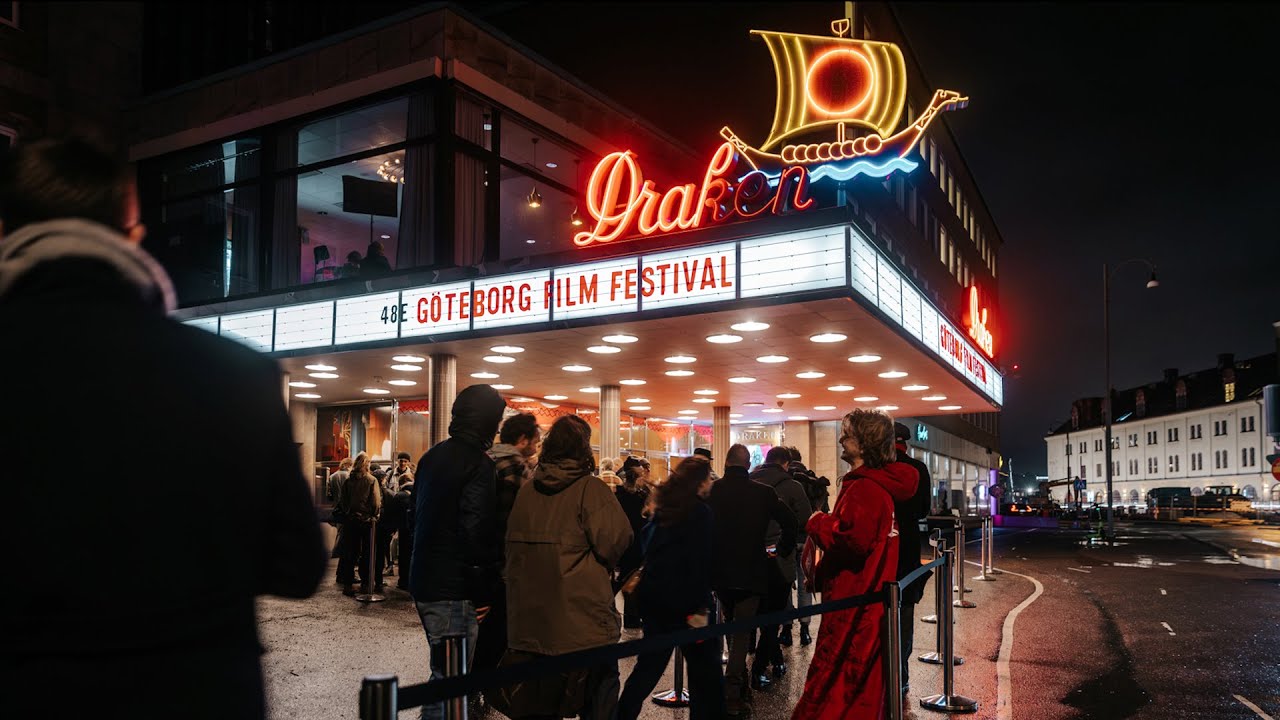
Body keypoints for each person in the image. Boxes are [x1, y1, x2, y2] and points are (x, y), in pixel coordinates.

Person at [0, 136, 326, 718]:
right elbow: (297, 567)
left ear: (8, 228)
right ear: (131, 235)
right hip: (197, 692)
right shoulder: (236, 374)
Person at [792, 410, 919, 720]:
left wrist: (818, 521)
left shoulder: (864, 489)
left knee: (836, 685)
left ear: (864, 443)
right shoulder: (877, 486)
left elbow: (852, 542)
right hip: (865, 600)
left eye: (847, 435)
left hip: (853, 602)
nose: (841, 439)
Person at [506, 415, 633, 720]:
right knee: (600, 694)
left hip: (533, 622)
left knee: (542, 703)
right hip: (583, 620)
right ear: (583, 448)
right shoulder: (591, 490)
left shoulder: (527, 491)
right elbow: (618, 540)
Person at [410, 384, 508, 720]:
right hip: (455, 591)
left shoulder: (431, 457)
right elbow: (476, 532)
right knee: (451, 684)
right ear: (486, 423)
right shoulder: (478, 466)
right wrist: (485, 592)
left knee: (444, 676)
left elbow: (415, 518)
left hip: (426, 581)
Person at [617, 456, 725, 720]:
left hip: (657, 603)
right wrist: (703, 604)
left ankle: (622, 714)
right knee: (705, 671)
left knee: (648, 667)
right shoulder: (700, 512)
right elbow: (701, 562)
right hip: (692, 608)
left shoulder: (661, 509)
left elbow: (645, 548)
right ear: (700, 482)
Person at [708, 444, 797, 717]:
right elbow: (791, 522)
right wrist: (780, 551)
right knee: (741, 632)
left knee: (729, 625)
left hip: (719, 572)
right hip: (752, 571)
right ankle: (733, 690)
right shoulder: (763, 493)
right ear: (748, 465)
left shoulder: (711, 492)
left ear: (725, 463)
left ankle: (738, 682)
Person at [473, 412, 540, 679]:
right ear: (523, 439)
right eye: (536, 440)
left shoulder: (485, 458)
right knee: (497, 629)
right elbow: (520, 521)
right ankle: (481, 683)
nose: (537, 446)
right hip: (501, 561)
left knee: (479, 626)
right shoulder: (514, 465)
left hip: (476, 558)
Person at [750, 446, 811, 662]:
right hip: (789, 544)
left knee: (769, 597)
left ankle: (780, 632)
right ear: (785, 463)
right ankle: (803, 628)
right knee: (798, 585)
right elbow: (805, 517)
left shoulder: (750, 481)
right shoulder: (793, 485)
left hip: (755, 550)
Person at [893, 422, 934, 696]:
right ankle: (901, 675)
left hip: (880, 547)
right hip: (907, 545)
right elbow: (924, 510)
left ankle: (880, 677)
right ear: (906, 443)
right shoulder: (918, 469)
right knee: (905, 609)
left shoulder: (876, 470)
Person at [336, 451, 383, 595]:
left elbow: (342, 502)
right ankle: (365, 584)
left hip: (351, 521)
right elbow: (375, 502)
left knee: (351, 552)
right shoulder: (371, 480)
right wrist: (374, 514)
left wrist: (349, 513)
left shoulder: (348, 481)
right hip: (367, 522)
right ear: (367, 464)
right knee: (367, 553)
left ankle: (348, 584)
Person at [614, 455, 651, 629]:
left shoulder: (619, 494)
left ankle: (629, 616)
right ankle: (633, 617)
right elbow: (645, 518)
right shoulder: (642, 495)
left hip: (623, 540)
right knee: (633, 578)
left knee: (625, 576)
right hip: (638, 542)